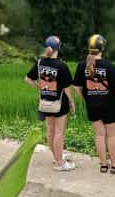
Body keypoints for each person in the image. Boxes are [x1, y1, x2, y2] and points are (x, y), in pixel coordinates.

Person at [73, 34, 115, 174]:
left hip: (92, 106)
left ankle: (103, 165)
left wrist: (86, 98)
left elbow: (76, 88)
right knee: (111, 136)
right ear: (102, 48)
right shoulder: (109, 66)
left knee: (99, 135)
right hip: (110, 106)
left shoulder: (82, 66)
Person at [24, 36, 76, 171]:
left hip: (45, 102)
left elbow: (27, 79)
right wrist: (71, 101)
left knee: (50, 131)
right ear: (59, 48)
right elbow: (66, 88)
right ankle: (60, 163)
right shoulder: (61, 65)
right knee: (59, 132)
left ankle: (56, 157)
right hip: (59, 103)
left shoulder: (40, 62)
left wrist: (39, 87)